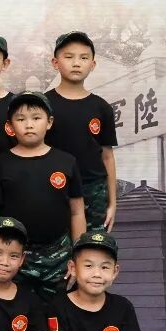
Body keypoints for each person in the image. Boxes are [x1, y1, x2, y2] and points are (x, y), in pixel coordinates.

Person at [0, 91, 86, 301]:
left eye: (36, 118)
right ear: (10, 126)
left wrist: (78, 256)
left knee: (57, 312)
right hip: (14, 256)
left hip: (58, 256)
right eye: (21, 119)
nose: (29, 125)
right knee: (15, 311)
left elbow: (77, 212)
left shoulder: (66, 161)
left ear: (49, 122)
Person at [45, 32, 119, 230]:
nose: (76, 63)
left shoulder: (102, 107)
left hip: (94, 191)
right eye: (69, 57)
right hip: (54, 187)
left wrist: (112, 203)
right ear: (55, 63)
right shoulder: (43, 105)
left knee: (93, 247)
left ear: (92, 65)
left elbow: (107, 157)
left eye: (84, 58)